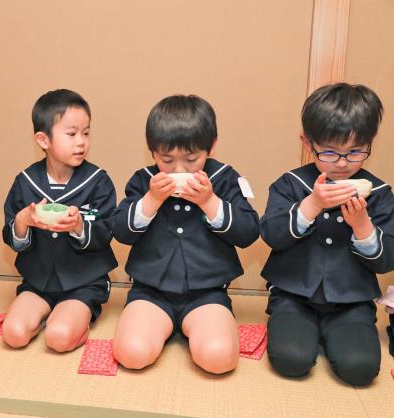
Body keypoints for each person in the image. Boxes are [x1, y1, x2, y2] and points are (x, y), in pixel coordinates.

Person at [111, 95, 259, 373]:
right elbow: (120, 230)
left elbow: (249, 232)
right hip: (150, 292)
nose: (179, 169)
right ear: (152, 152)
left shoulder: (226, 178)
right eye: (166, 159)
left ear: (211, 147)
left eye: (191, 159)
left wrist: (209, 201)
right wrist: (151, 199)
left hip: (208, 293)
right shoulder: (144, 179)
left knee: (219, 359)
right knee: (132, 354)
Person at [260, 83, 394, 386]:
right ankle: (301, 331)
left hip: (351, 301)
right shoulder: (291, 184)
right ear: (308, 143)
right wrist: (312, 205)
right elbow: (271, 234)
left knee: (360, 370)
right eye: (330, 152)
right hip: (293, 295)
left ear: (370, 142)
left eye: (356, 151)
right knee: (291, 361)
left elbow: (386, 261)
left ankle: (338, 334)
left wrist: (362, 225)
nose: (343, 163)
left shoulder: (381, 193)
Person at [2, 89, 117, 352]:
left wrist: (78, 227)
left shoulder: (97, 181)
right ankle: (51, 315)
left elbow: (107, 230)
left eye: (86, 133)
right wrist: (22, 221)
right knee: (13, 334)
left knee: (59, 338)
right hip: (38, 280)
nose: (81, 142)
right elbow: (13, 238)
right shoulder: (25, 181)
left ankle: (75, 320)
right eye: (71, 133)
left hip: (84, 282)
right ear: (43, 140)